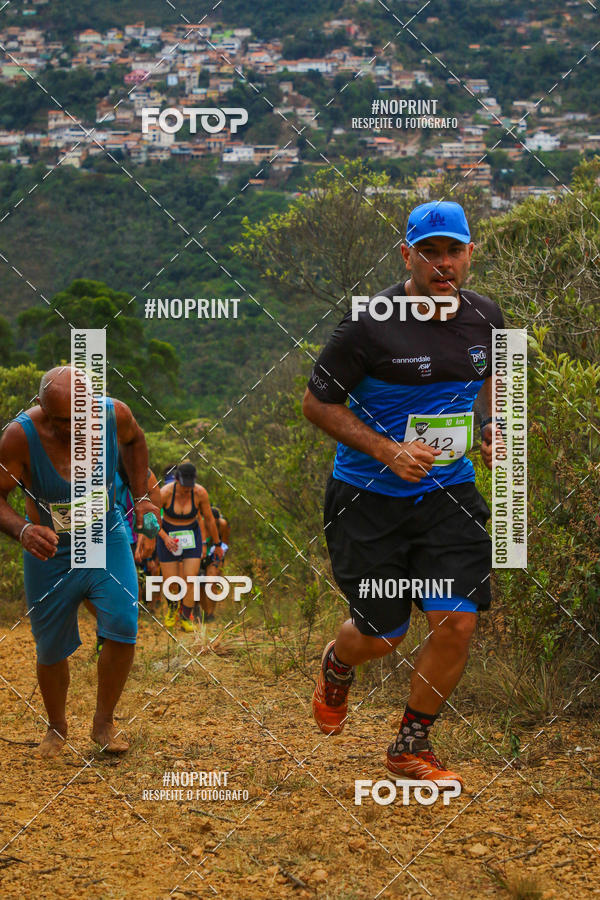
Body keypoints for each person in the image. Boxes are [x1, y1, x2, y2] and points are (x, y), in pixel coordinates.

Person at [303, 201, 505, 786]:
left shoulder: (487, 317)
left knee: (456, 621)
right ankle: (339, 661)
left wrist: (492, 429)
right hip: (367, 498)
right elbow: (317, 404)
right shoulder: (368, 324)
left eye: (453, 250)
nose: (443, 263)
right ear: (407, 255)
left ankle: (411, 743)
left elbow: (491, 383)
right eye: (430, 251)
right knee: (383, 635)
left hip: (449, 494)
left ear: (470, 253)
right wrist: (386, 449)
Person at [0, 366, 159, 757]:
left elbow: (135, 441)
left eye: (83, 418)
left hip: (106, 537)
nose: (76, 429)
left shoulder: (113, 414)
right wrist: (23, 530)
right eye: (64, 421)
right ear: (41, 408)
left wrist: (142, 497)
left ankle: (104, 722)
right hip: (50, 552)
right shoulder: (19, 437)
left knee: (123, 621)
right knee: (51, 647)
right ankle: (56, 727)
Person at [156, 462, 223, 631]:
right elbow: (152, 520)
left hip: (191, 535)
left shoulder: (200, 493)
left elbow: (208, 519)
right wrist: (164, 538)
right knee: (171, 580)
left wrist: (216, 544)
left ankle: (186, 617)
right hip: (168, 535)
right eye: (183, 487)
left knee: (190, 578)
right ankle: (172, 609)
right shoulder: (164, 493)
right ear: (176, 480)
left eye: (189, 487)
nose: (186, 491)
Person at [198, 505, 230, 622]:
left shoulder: (223, 525)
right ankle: (205, 611)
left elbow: (225, 543)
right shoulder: (199, 524)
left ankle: (211, 613)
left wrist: (220, 561)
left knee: (211, 582)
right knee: (200, 585)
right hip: (199, 555)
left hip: (215, 555)